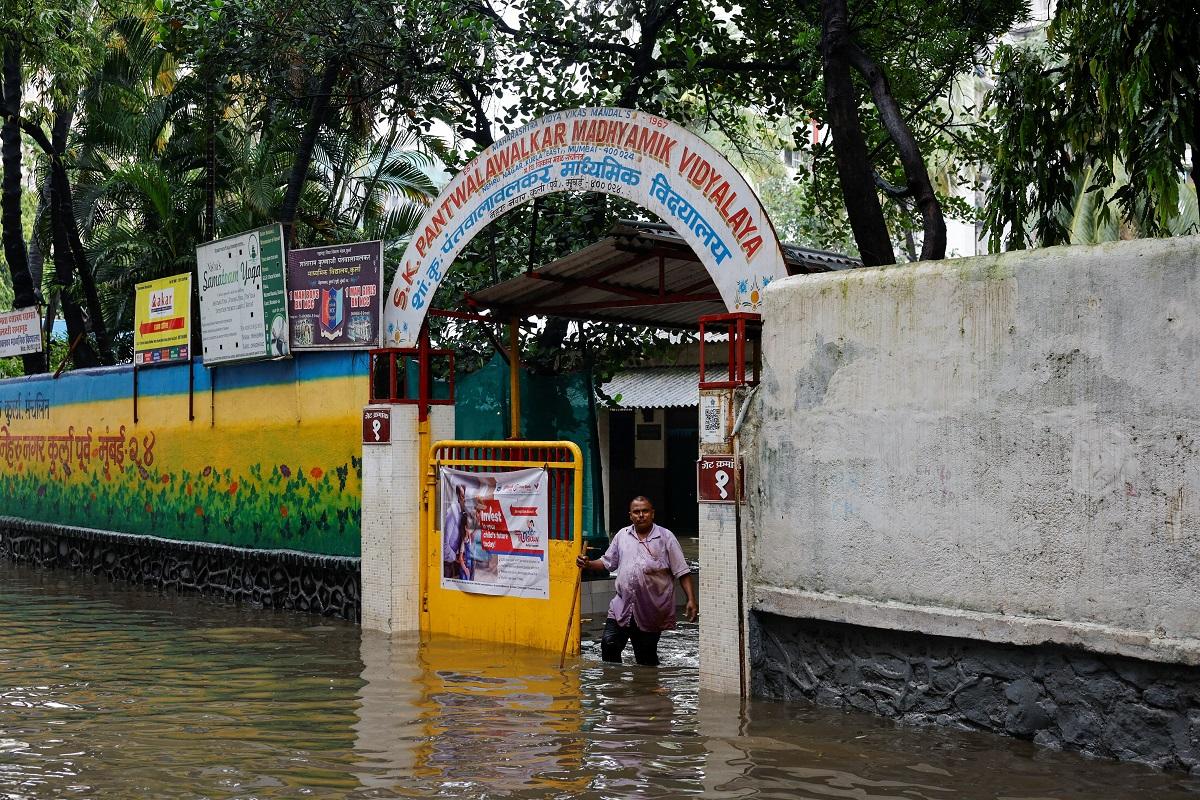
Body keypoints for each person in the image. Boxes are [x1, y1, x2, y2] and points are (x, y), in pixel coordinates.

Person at [576, 496, 696, 666]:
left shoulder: (665, 537)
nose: (641, 515)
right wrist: (588, 563)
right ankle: (614, 681)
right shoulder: (622, 535)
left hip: (651, 609)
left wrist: (691, 599)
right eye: (636, 512)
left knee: (646, 659)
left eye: (645, 511)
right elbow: (607, 562)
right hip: (622, 606)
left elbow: (682, 571)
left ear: (652, 513)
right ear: (630, 515)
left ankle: (646, 683)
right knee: (609, 645)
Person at [443, 483, 468, 579]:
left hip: (456, 560)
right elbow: (444, 542)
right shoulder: (453, 512)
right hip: (448, 562)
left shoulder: (463, 512)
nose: (465, 500)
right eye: (462, 496)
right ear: (458, 496)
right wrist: (455, 558)